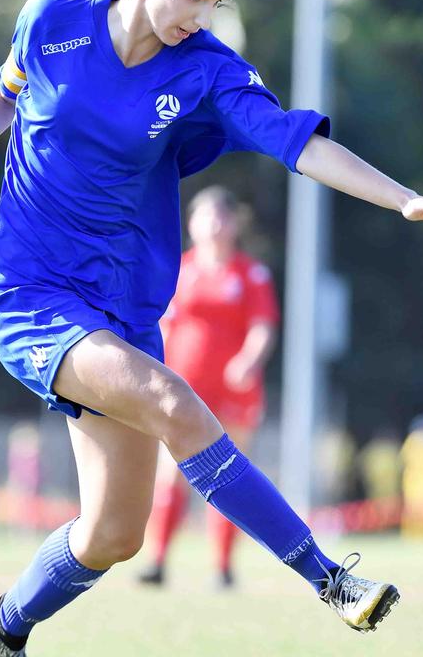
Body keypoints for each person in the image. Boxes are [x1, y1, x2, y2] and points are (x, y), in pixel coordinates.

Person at [0, 0, 423, 653]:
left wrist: (403, 198)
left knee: (113, 536)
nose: (202, 17)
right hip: (29, 291)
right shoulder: (48, 21)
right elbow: (6, 99)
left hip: (123, 313)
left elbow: (294, 141)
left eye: (218, 4)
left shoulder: (206, 70)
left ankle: (5, 622)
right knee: (176, 403)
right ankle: (332, 581)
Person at [135, 185, 279, 590]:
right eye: (205, 216)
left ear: (234, 224)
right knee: (171, 474)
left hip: (235, 393)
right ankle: (157, 561)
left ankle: (223, 567)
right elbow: (161, 324)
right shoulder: (179, 269)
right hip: (184, 389)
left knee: (229, 477)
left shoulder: (250, 274)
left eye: (221, 216)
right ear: (192, 224)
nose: (213, 225)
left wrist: (248, 361)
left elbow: (262, 326)